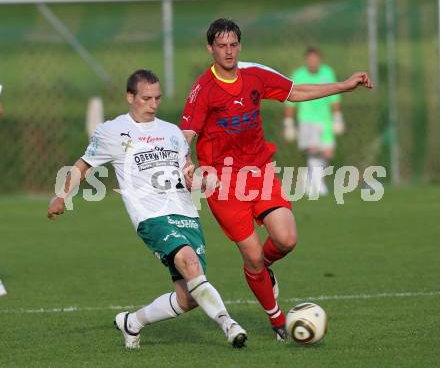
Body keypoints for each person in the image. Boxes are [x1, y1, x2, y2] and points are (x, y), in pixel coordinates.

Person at [180, 18, 372, 340]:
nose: (228, 52)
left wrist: (343, 86)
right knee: (251, 256)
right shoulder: (203, 90)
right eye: (221, 46)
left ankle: (262, 271)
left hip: (260, 172)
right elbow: (184, 134)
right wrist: (187, 167)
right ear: (210, 48)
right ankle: (278, 321)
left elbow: (295, 91)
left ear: (239, 45)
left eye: (233, 45)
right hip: (223, 184)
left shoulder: (254, 74)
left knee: (286, 239)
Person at [47, 69, 247, 349]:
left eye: (157, 98)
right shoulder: (112, 131)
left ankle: (133, 322)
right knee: (189, 262)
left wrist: (195, 177)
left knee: (188, 297)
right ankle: (229, 324)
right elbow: (83, 166)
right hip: (151, 217)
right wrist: (61, 195)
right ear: (130, 97)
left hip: (186, 214)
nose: (153, 104)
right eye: (146, 98)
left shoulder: (172, 132)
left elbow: (187, 169)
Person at [284, 47, 344, 196]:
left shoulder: (327, 72)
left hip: (325, 120)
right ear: (306, 60)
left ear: (320, 60)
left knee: (327, 153)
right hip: (307, 120)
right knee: (313, 150)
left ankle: (310, 178)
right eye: (310, 59)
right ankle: (318, 186)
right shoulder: (298, 75)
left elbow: (334, 97)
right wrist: (288, 123)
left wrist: (337, 117)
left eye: (315, 59)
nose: (313, 62)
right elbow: (291, 100)